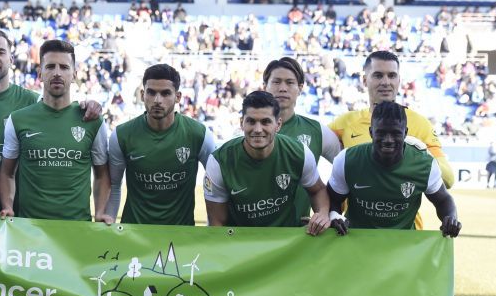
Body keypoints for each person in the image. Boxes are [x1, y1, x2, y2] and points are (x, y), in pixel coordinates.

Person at [0, 29, 102, 207]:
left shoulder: (32, 101)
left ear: (11, 60)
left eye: (1, 52)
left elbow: (61, 116)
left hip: (18, 212)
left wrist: (88, 104)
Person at [329, 51, 455, 227]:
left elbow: (448, 179)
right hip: (357, 234)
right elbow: (313, 159)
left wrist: (418, 149)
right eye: (378, 75)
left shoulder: (420, 124)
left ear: (398, 81)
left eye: (392, 75)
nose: (386, 82)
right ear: (365, 80)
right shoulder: (343, 124)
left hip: (405, 237)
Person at [0, 40, 111, 222]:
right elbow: (7, 172)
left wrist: (99, 212)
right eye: (50, 66)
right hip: (29, 229)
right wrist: (8, 206)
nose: (57, 73)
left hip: (76, 228)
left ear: (74, 75)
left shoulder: (92, 120)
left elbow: (101, 174)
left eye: (64, 67)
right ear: (40, 74)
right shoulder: (18, 119)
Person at [204, 91, 330, 234]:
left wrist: (323, 213)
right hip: (239, 245)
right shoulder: (219, 161)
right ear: (241, 123)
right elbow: (217, 223)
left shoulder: (298, 152)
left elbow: (318, 190)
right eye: (251, 121)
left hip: (286, 242)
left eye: (266, 122)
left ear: (278, 124)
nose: (258, 129)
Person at [327, 102, 461, 236]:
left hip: (403, 247)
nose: (388, 140)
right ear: (371, 132)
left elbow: (443, 200)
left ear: (405, 133)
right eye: (381, 132)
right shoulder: (347, 160)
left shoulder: (424, 164)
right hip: (356, 242)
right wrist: (334, 216)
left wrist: (450, 219)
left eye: (396, 133)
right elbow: (333, 199)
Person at [107, 63, 215, 225]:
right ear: (143, 94)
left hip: (181, 238)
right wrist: (109, 227)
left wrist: (212, 229)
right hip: (134, 237)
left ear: (178, 97)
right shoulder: (122, 135)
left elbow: (217, 185)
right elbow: (114, 187)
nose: (157, 100)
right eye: (151, 92)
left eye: (165, 93)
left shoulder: (199, 134)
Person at [262, 57, 341, 223]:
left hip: (300, 236)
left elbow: (346, 166)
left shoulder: (317, 131)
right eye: (276, 82)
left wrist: (329, 212)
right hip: (254, 233)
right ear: (265, 87)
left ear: (300, 88)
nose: (282, 88)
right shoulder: (247, 133)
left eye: (289, 82)